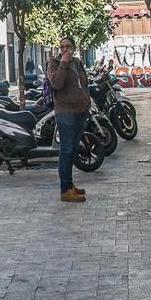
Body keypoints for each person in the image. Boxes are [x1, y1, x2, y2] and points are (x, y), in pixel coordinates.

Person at [48, 37, 92, 203]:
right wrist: (63, 64)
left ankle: (70, 184)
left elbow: (84, 84)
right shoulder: (54, 63)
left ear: (74, 48)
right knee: (66, 150)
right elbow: (57, 84)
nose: (65, 50)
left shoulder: (78, 63)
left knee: (73, 149)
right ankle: (65, 190)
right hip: (65, 112)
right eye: (62, 47)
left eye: (68, 47)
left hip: (81, 110)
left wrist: (87, 102)